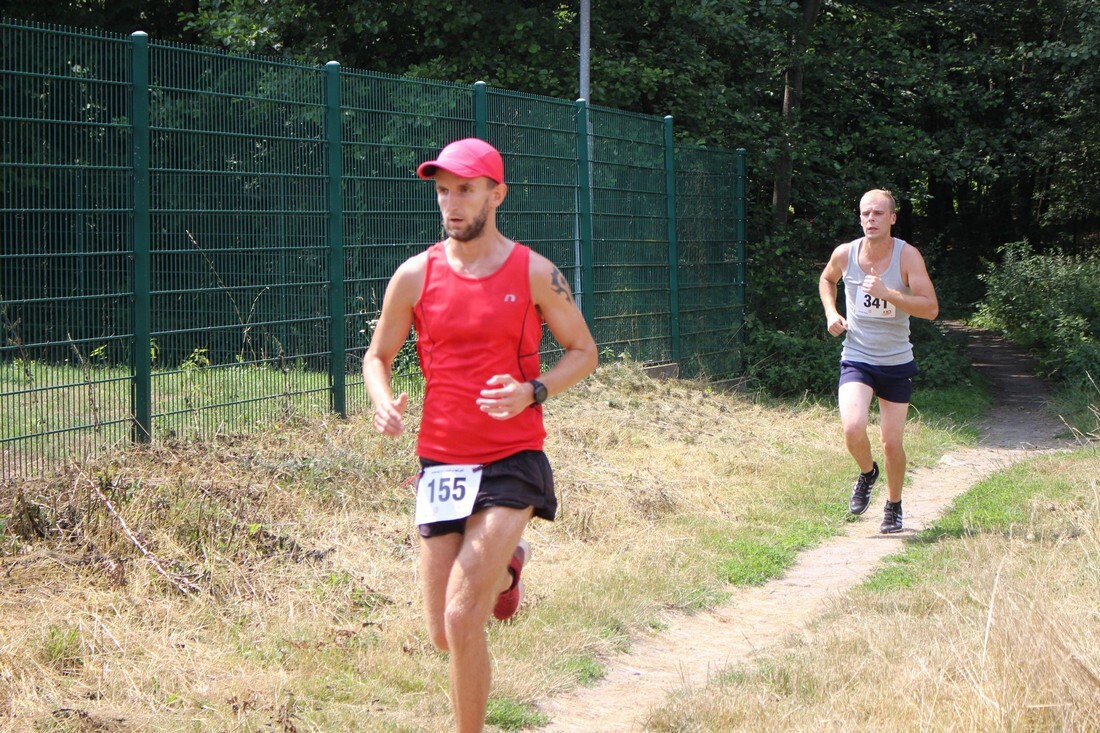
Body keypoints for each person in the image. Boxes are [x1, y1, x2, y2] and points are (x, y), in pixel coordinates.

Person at [362, 137, 598, 733]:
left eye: (464, 189)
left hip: (512, 457)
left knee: (465, 617)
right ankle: (509, 569)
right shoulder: (414, 275)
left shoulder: (537, 273)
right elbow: (376, 356)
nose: (451, 203)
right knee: (443, 633)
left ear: (497, 194)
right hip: (441, 462)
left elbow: (584, 352)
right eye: (443, 191)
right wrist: (382, 400)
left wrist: (533, 390)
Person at [818, 189, 939, 533]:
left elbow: (930, 308)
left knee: (891, 442)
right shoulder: (846, 254)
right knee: (853, 427)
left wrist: (890, 294)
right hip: (857, 356)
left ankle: (894, 505)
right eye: (865, 214)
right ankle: (868, 472)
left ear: (892, 219)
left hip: (897, 362)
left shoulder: (907, 256)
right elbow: (827, 279)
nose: (870, 219)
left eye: (878, 214)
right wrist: (831, 312)